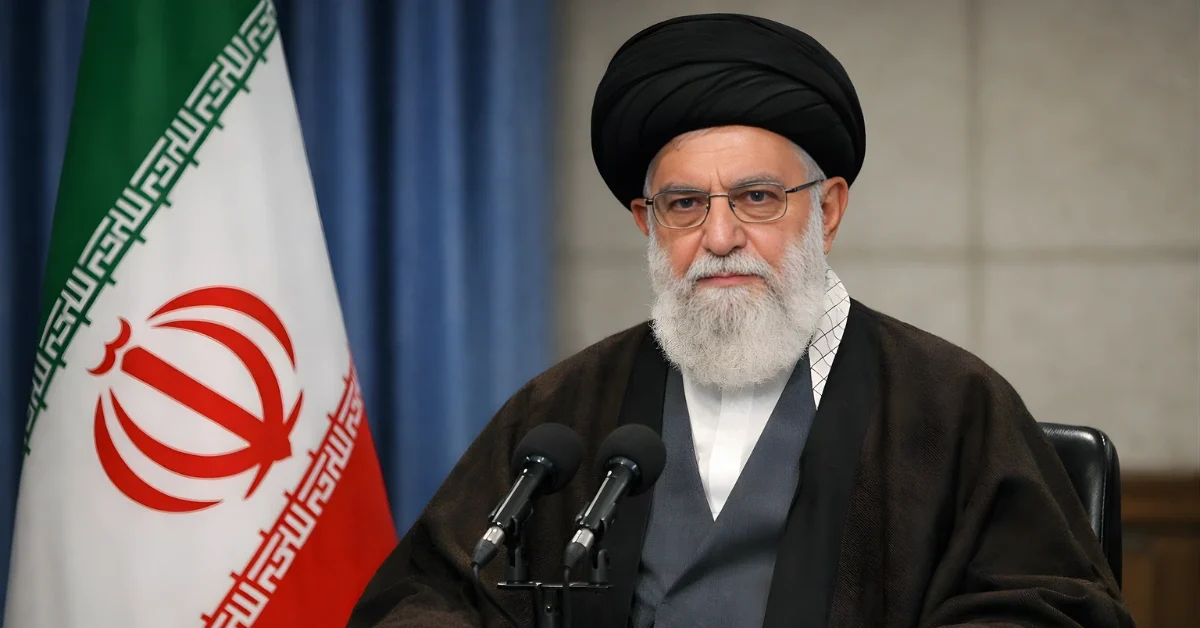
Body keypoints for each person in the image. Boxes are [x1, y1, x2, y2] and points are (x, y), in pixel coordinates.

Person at [347, 13, 1132, 628]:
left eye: (757, 197)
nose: (719, 237)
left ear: (825, 210)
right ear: (645, 224)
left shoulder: (951, 404)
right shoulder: (564, 411)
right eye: (684, 205)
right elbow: (429, 595)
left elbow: (1051, 607)